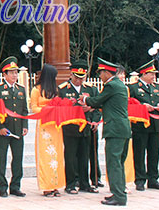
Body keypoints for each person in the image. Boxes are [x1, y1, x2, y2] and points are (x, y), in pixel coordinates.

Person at [82, 58, 131, 207]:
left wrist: (86, 99)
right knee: (119, 163)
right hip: (123, 128)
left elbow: (97, 100)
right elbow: (108, 104)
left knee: (114, 163)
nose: (99, 76)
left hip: (114, 129)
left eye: (100, 73)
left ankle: (119, 196)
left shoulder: (111, 85)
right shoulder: (120, 85)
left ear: (106, 72)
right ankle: (119, 192)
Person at [58, 61, 99, 194]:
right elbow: (60, 108)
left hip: (87, 127)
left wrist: (95, 120)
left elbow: (98, 107)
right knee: (70, 157)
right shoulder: (63, 89)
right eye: (76, 77)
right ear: (71, 74)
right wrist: (78, 108)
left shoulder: (91, 89)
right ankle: (70, 184)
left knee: (84, 156)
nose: (79, 80)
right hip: (70, 127)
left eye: (82, 78)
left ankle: (84, 183)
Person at [0, 57, 28, 198]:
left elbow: (24, 110)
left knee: (17, 159)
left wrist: (25, 126)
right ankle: (2, 187)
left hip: (17, 129)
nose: (14, 75)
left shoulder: (21, 89)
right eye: (11, 72)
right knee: (1, 159)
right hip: (3, 131)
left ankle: (15, 186)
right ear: (4, 74)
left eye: (16, 72)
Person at [129, 60, 159, 191]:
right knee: (139, 153)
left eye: (154, 74)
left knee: (154, 153)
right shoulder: (133, 88)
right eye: (151, 74)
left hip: (155, 125)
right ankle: (140, 179)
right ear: (144, 74)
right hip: (140, 125)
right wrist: (142, 106)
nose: (154, 76)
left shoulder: (157, 87)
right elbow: (130, 104)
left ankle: (153, 179)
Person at [30, 63, 64, 196]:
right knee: (45, 155)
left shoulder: (56, 89)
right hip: (44, 126)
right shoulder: (36, 90)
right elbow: (34, 107)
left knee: (56, 155)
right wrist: (47, 109)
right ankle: (46, 186)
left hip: (55, 126)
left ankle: (56, 184)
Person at [114, 66, 135, 188]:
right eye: (120, 74)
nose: (122, 76)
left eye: (123, 74)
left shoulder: (126, 88)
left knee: (125, 156)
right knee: (116, 158)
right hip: (115, 126)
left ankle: (124, 182)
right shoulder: (110, 87)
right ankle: (117, 184)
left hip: (125, 124)